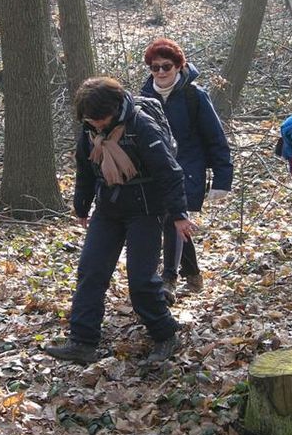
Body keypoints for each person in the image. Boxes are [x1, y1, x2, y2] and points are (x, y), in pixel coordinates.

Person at [45, 77, 197, 365]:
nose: (96, 125)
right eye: (90, 120)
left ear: (115, 109)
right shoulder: (90, 129)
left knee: (141, 280)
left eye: (100, 119)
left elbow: (170, 172)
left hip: (146, 209)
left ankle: (165, 334)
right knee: (90, 272)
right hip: (108, 208)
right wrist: (81, 207)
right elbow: (85, 169)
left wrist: (178, 215)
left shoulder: (141, 126)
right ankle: (82, 341)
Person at [141, 38, 233, 302]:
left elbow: (215, 137)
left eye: (166, 66)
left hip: (189, 169)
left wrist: (222, 179)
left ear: (179, 66)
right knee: (172, 220)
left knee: (172, 216)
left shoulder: (195, 95)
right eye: (154, 67)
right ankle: (193, 273)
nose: (160, 72)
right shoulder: (144, 97)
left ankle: (169, 278)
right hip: (157, 172)